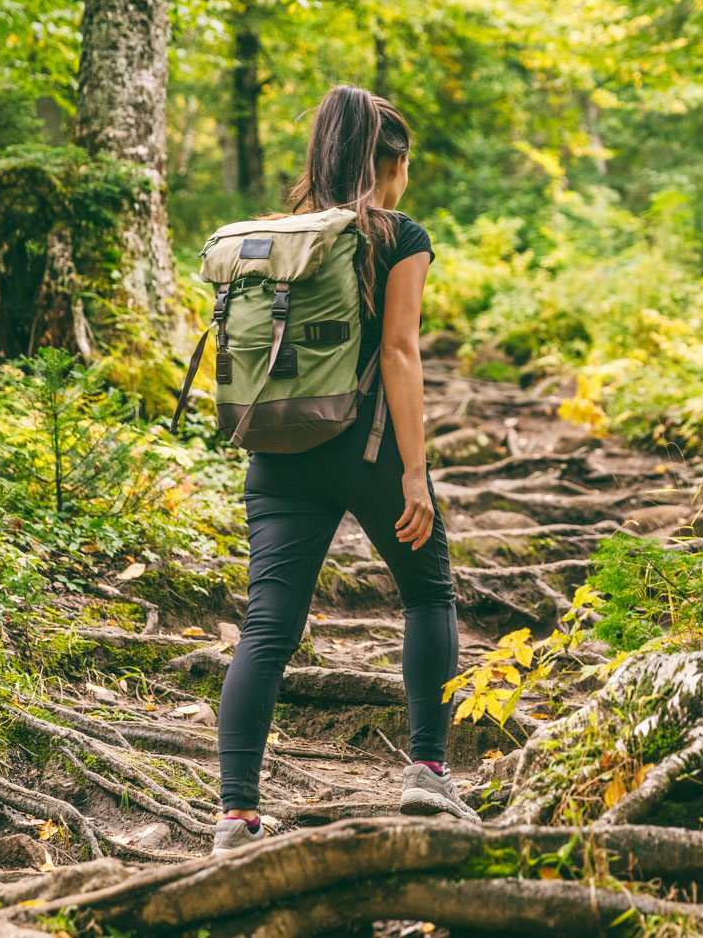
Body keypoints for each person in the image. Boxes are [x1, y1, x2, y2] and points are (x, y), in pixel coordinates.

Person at [211, 84, 480, 854]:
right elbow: (398, 350)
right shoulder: (398, 234)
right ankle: (427, 769)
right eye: (405, 164)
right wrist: (414, 471)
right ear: (387, 162)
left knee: (267, 625)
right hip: (367, 451)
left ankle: (235, 813)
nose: (407, 180)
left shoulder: (281, 235)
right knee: (429, 593)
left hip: (279, 451)